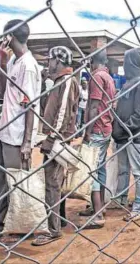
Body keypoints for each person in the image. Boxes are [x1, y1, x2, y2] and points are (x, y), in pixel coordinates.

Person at [0, 19, 41, 242]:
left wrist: (27, 142)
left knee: (15, 182)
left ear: (10, 36)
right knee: (2, 181)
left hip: (17, 137)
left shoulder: (28, 65)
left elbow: (30, 106)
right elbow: (2, 91)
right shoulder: (14, 62)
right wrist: (2, 61)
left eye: (4, 35)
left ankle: (13, 223)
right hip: (6, 132)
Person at [31, 46, 79, 246]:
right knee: (55, 182)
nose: (47, 63)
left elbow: (63, 113)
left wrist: (51, 139)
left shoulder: (67, 81)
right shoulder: (59, 81)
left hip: (58, 140)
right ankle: (58, 220)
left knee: (52, 183)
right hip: (56, 138)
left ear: (58, 61)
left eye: (50, 60)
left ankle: (53, 230)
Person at [112, 48, 140, 221]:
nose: (124, 66)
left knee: (139, 171)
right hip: (122, 135)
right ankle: (121, 199)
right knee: (123, 170)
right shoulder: (128, 82)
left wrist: (125, 127)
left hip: (134, 136)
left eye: (126, 62)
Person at [80, 49, 115, 228]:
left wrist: (87, 131)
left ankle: (98, 214)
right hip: (106, 127)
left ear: (93, 61)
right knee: (100, 168)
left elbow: (93, 106)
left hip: (97, 128)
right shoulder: (108, 78)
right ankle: (99, 206)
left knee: (91, 169)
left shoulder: (96, 77)